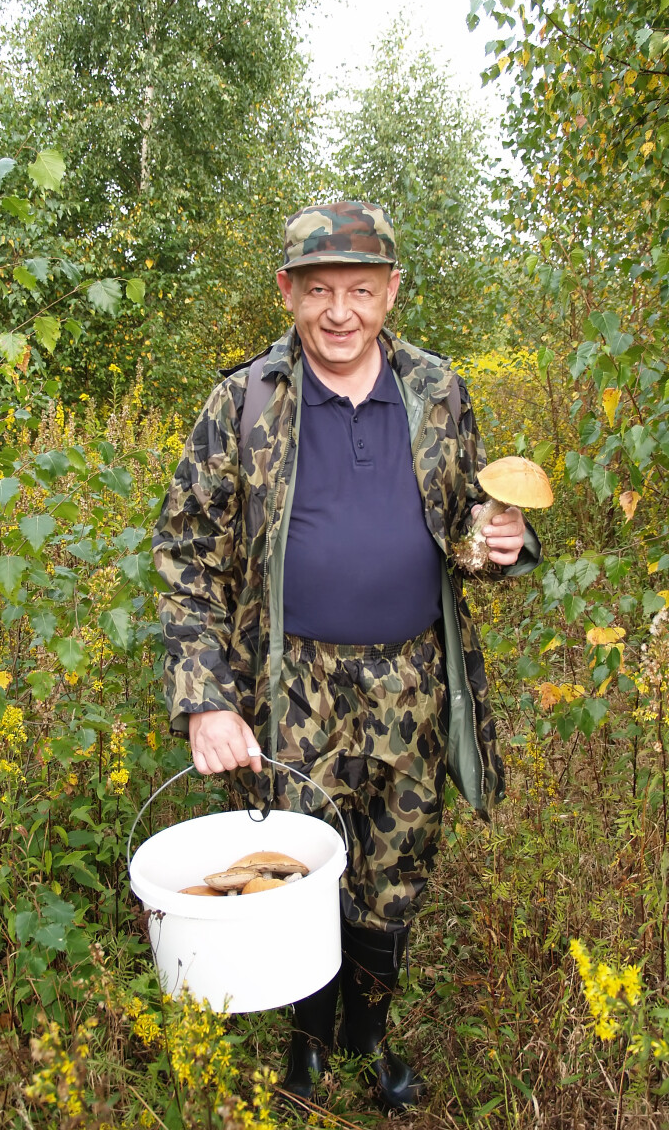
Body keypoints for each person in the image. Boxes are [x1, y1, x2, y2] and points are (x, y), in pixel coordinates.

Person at [152, 201, 542, 1111]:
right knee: (294, 872)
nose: (339, 312)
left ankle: (367, 1041)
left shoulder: (439, 392)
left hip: (411, 679)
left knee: (394, 873)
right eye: (319, 289)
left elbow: (465, 528)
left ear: (392, 291)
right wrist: (208, 698)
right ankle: (304, 1050)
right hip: (290, 687)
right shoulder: (243, 401)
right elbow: (185, 555)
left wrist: (500, 540)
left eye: (360, 290)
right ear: (286, 291)